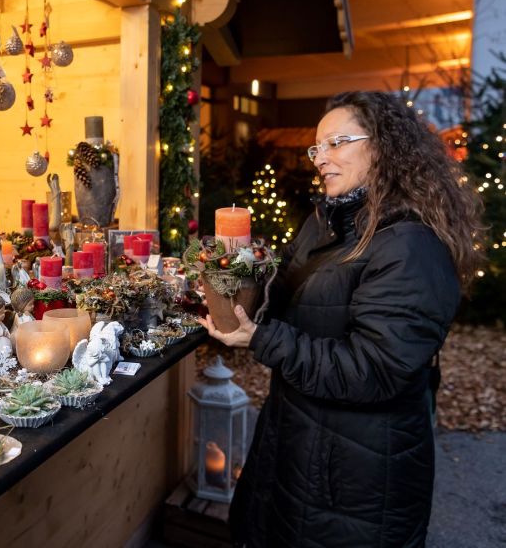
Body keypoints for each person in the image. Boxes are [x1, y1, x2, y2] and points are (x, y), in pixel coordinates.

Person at [200, 91, 484, 548]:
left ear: (382, 147)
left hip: (356, 480)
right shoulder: (329, 221)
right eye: (317, 147)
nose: (320, 158)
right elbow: (294, 304)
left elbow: (374, 369)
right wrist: (237, 284)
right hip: (301, 446)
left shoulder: (409, 244)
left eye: (337, 142)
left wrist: (263, 339)